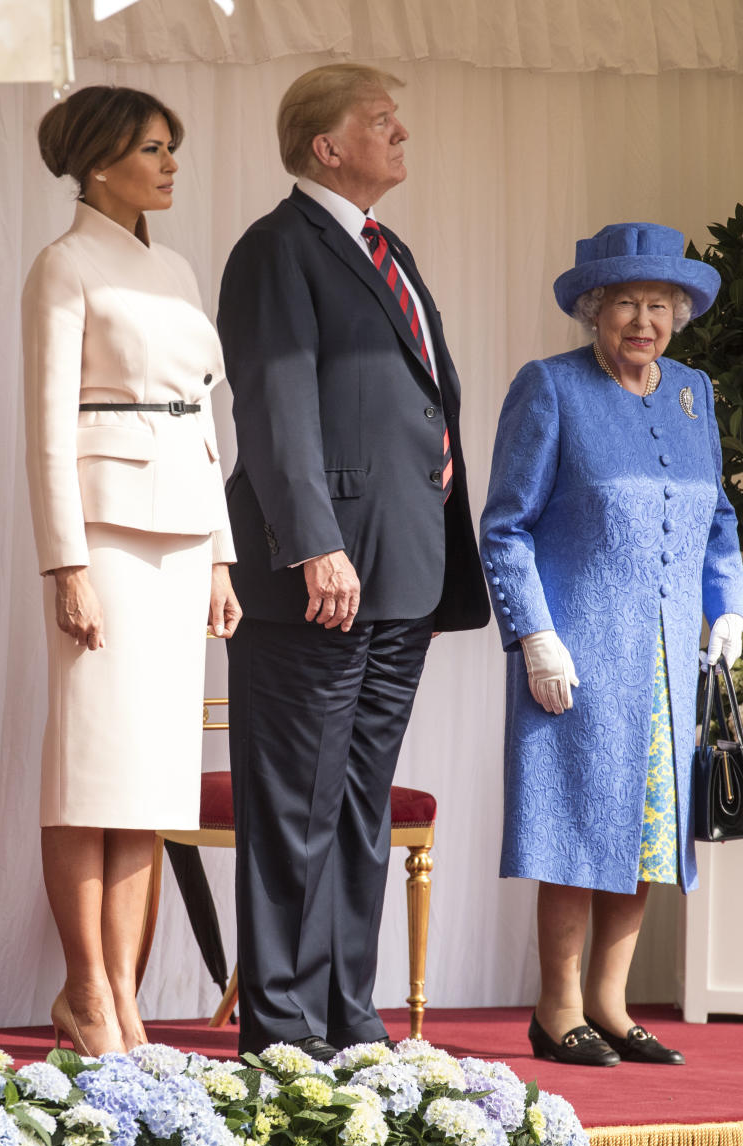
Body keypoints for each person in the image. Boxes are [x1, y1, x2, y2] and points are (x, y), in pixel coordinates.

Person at [217, 63, 489, 1060]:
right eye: (382, 122)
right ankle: (282, 1033)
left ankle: (348, 1021)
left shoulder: (386, 247)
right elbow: (274, 406)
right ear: (327, 147)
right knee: (295, 810)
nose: (401, 132)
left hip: (403, 573)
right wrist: (315, 544)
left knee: (359, 809)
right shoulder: (275, 250)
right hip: (318, 578)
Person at [480, 222, 743, 1067]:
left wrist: (726, 606)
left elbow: (720, 521)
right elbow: (506, 528)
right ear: (595, 309)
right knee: (574, 832)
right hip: (579, 658)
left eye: (660, 304)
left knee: (647, 837)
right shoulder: (550, 388)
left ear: (678, 314)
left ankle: (611, 1002)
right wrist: (534, 637)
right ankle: (557, 1010)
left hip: (670, 659)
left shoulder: (693, 392)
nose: (644, 319)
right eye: (626, 301)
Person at [22, 85, 241, 1057]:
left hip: (185, 534)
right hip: (103, 535)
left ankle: (124, 992)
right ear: (100, 159)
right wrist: (64, 562)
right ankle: (87, 987)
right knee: (89, 770)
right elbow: (44, 429)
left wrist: (224, 556)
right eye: (153, 148)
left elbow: (206, 419)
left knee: (152, 778)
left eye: (172, 147)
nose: (170, 164)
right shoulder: (62, 266)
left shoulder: (180, 269)